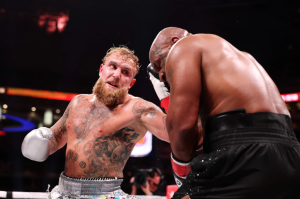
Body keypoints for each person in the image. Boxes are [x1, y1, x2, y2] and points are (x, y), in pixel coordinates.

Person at [148, 27, 300, 199]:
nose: (160, 75)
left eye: (158, 64)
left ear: (174, 41)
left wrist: (182, 171)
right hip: (291, 156)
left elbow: (182, 128)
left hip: (245, 157)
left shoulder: (184, 47)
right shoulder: (242, 58)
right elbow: (203, 136)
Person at [21, 46, 169, 199]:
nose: (116, 75)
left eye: (125, 72)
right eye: (113, 66)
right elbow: (56, 138)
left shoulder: (138, 109)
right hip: (63, 192)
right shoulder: (78, 102)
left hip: (104, 195)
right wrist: (43, 141)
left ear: (131, 83)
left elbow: (176, 135)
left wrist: (167, 96)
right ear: (101, 70)